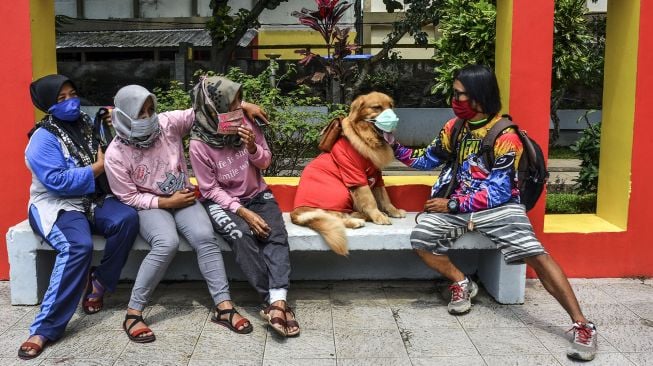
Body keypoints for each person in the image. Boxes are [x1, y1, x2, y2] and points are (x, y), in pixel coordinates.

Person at [392, 65, 597, 361]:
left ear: (480, 96)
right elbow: (426, 161)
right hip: (458, 205)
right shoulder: (454, 128)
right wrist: (393, 145)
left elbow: (498, 191)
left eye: (460, 94)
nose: (455, 99)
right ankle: (462, 282)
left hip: (499, 208)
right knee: (421, 239)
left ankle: (582, 324)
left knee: (537, 254)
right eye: (454, 93)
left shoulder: (506, 136)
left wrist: (451, 205)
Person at [104, 84, 268, 342]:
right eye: (140, 114)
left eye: (150, 110)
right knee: (166, 243)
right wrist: (165, 203)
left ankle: (223, 307)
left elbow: (203, 109)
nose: (148, 118)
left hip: (184, 196)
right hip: (150, 205)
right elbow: (128, 196)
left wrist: (242, 106)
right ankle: (133, 313)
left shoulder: (168, 124)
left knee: (205, 237)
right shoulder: (115, 153)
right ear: (124, 117)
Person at [19, 75, 139, 359]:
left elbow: (110, 150)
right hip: (57, 204)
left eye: (72, 94)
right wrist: (97, 168)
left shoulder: (86, 124)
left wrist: (111, 127)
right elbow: (57, 182)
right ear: (48, 104)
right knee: (77, 247)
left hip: (92, 198)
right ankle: (45, 328)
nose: (70, 102)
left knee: (127, 219)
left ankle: (99, 282)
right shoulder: (42, 138)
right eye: (61, 99)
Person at [189, 76, 299, 337]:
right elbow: (209, 189)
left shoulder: (247, 123)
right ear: (216, 107)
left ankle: (278, 302)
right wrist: (242, 212)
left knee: (276, 235)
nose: (239, 107)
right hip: (222, 202)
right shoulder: (198, 143)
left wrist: (252, 147)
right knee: (241, 236)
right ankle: (271, 302)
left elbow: (265, 163)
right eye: (234, 101)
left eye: (241, 100)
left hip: (258, 194)